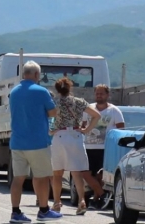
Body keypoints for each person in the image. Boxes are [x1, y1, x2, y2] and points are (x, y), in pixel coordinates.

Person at [9, 60, 62, 223]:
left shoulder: (14, 92)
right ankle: (44, 210)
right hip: (38, 142)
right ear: (37, 74)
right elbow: (53, 113)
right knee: (42, 177)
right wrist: (51, 130)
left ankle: (16, 212)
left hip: (17, 142)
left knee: (18, 178)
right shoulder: (41, 91)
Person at [50, 77, 101, 216]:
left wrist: (51, 130)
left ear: (57, 89)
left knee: (57, 173)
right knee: (77, 172)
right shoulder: (79, 102)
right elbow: (96, 115)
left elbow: (47, 118)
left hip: (60, 136)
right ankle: (82, 201)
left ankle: (56, 203)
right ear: (70, 88)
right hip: (76, 136)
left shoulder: (54, 102)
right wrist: (86, 130)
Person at [82, 84, 125, 210]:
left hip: (105, 148)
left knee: (99, 176)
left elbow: (121, 129)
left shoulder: (114, 111)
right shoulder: (89, 108)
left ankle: (96, 200)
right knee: (85, 173)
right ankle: (102, 193)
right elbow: (83, 125)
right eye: (97, 93)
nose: (99, 95)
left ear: (107, 95)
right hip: (88, 147)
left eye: (101, 93)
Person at [35, 90, 56, 207]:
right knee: (40, 174)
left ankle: (51, 199)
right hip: (43, 145)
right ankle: (39, 198)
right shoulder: (41, 114)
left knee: (51, 174)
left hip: (52, 145)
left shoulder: (54, 114)